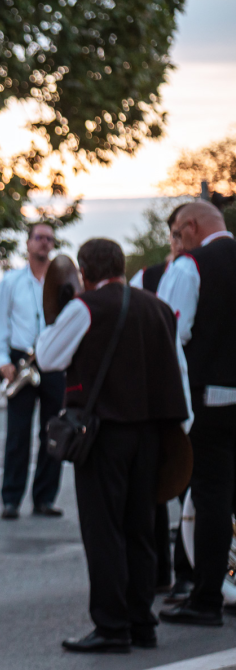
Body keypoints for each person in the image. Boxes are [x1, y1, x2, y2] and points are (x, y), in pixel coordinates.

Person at [36, 238, 190, 653]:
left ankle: (111, 625)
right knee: (140, 529)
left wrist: (63, 307)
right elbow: (175, 366)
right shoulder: (156, 306)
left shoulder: (85, 307)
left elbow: (47, 356)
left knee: (104, 531)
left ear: (84, 272)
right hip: (153, 432)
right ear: (121, 266)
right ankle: (143, 622)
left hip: (104, 433)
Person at [157, 200, 236, 627]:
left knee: (210, 499)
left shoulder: (191, 265)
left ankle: (207, 597)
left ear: (189, 227)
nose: (175, 242)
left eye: (175, 233)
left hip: (210, 401)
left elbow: (169, 334)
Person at [129, 202, 192, 598]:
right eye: (175, 234)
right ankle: (160, 573)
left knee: (192, 486)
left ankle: (192, 569)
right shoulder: (147, 276)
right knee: (153, 487)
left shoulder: (196, 272)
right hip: (152, 395)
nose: (179, 241)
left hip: (188, 393)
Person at [0, 222, 65, 520]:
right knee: (18, 434)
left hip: (54, 360)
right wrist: (3, 360)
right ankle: (11, 499)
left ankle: (44, 498)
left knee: (54, 432)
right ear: (28, 244)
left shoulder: (61, 282)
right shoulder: (11, 281)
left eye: (49, 239)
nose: (44, 243)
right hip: (22, 361)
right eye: (39, 238)